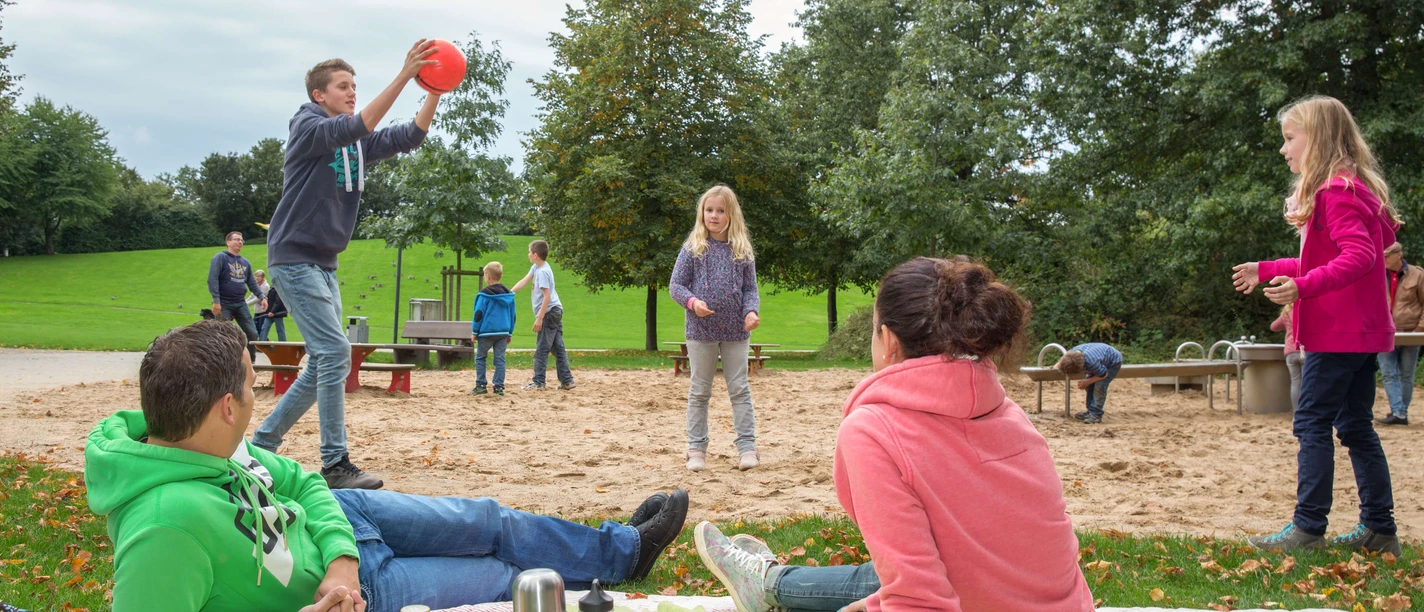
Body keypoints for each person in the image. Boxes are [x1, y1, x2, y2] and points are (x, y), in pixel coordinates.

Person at [86, 320, 690, 612]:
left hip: (347, 532)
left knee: (489, 521)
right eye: (252, 386)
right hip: (362, 596)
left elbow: (301, 482)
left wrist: (341, 557)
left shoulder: (197, 439)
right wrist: (342, 584)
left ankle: (623, 554)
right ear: (226, 407)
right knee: (503, 577)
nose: (256, 395)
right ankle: (600, 577)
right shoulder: (167, 526)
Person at [694, 257, 1093, 612]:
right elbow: (1026, 554)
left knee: (885, 576)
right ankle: (768, 581)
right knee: (881, 577)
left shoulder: (874, 432)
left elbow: (921, 601)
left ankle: (765, 582)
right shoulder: (1011, 415)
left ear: (889, 342)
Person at [253, 43, 442, 490]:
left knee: (325, 362)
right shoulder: (308, 124)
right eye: (344, 86)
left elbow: (409, 136)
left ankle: (261, 446)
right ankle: (335, 464)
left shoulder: (353, 140)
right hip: (294, 256)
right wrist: (402, 75)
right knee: (334, 354)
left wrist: (434, 88)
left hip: (323, 263)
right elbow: (360, 123)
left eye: (355, 85)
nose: (353, 91)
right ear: (320, 94)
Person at [1232, 95, 1401, 555]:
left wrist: (1301, 287)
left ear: (1318, 138)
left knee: (1311, 422)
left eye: (1290, 139)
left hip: (1338, 332)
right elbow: (1338, 254)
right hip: (1362, 332)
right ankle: (1380, 531)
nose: (1285, 150)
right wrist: (1266, 268)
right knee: (1355, 426)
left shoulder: (1334, 191)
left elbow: (1361, 256)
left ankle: (1307, 530)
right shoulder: (1354, 187)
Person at [669, 185, 762, 472]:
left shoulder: (742, 251)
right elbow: (676, 286)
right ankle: (696, 449)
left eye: (720, 211)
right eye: (709, 210)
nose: (714, 215)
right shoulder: (692, 249)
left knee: (739, 389)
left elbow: (751, 290)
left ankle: (747, 448)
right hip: (700, 331)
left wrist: (751, 311)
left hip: (736, 331)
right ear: (702, 213)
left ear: (730, 214)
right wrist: (693, 302)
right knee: (699, 391)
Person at [510, 240, 575, 391]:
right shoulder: (536, 267)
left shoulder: (544, 272)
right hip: (555, 311)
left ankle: (539, 381)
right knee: (558, 348)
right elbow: (525, 280)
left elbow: (547, 297)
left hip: (549, 313)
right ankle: (567, 380)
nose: (528, 254)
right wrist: (509, 293)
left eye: (529, 252)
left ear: (536, 255)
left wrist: (539, 319)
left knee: (542, 348)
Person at [1379, 241, 1423, 425]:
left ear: (1399, 255)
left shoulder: (1418, 275)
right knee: (1388, 373)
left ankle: (1399, 412)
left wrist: (1420, 329)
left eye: (1387, 256)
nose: (1384, 260)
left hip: (1411, 332)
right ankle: (1399, 411)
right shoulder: (1377, 274)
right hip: (1384, 332)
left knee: (1406, 374)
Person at [208, 231, 266, 362]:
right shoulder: (220, 258)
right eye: (237, 239)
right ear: (228, 242)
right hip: (223, 303)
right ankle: (223, 363)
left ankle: (251, 362)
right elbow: (212, 279)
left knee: (252, 333)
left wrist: (262, 297)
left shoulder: (245, 262)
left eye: (241, 240)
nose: (240, 242)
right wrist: (216, 301)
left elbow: (252, 283)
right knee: (223, 335)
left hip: (240, 303)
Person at [471, 261, 516, 396]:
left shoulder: (484, 295)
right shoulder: (508, 295)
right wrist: (510, 332)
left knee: (481, 357)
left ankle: (481, 385)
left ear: (487, 276)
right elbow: (512, 315)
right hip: (503, 331)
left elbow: (478, 314)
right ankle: (499, 387)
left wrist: (475, 332)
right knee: (500, 359)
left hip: (486, 332)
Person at [1052, 343, 1123, 424]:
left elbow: (1103, 375)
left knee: (1099, 386)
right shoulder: (1069, 355)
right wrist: (1055, 369)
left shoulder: (1092, 362)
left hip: (1112, 362)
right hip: (1099, 358)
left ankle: (1096, 414)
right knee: (1090, 386)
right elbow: (1060, 363)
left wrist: (1086, 382)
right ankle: (1090, 411)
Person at [1271, 304, 1304, 411]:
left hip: (1290, 352)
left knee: (1295, 383)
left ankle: (1296, 415)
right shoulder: (1306, 311)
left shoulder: (1287, 312)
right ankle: (1305, 412)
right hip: (1304, 350)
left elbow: (1274, 326)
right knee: (1306, 383)